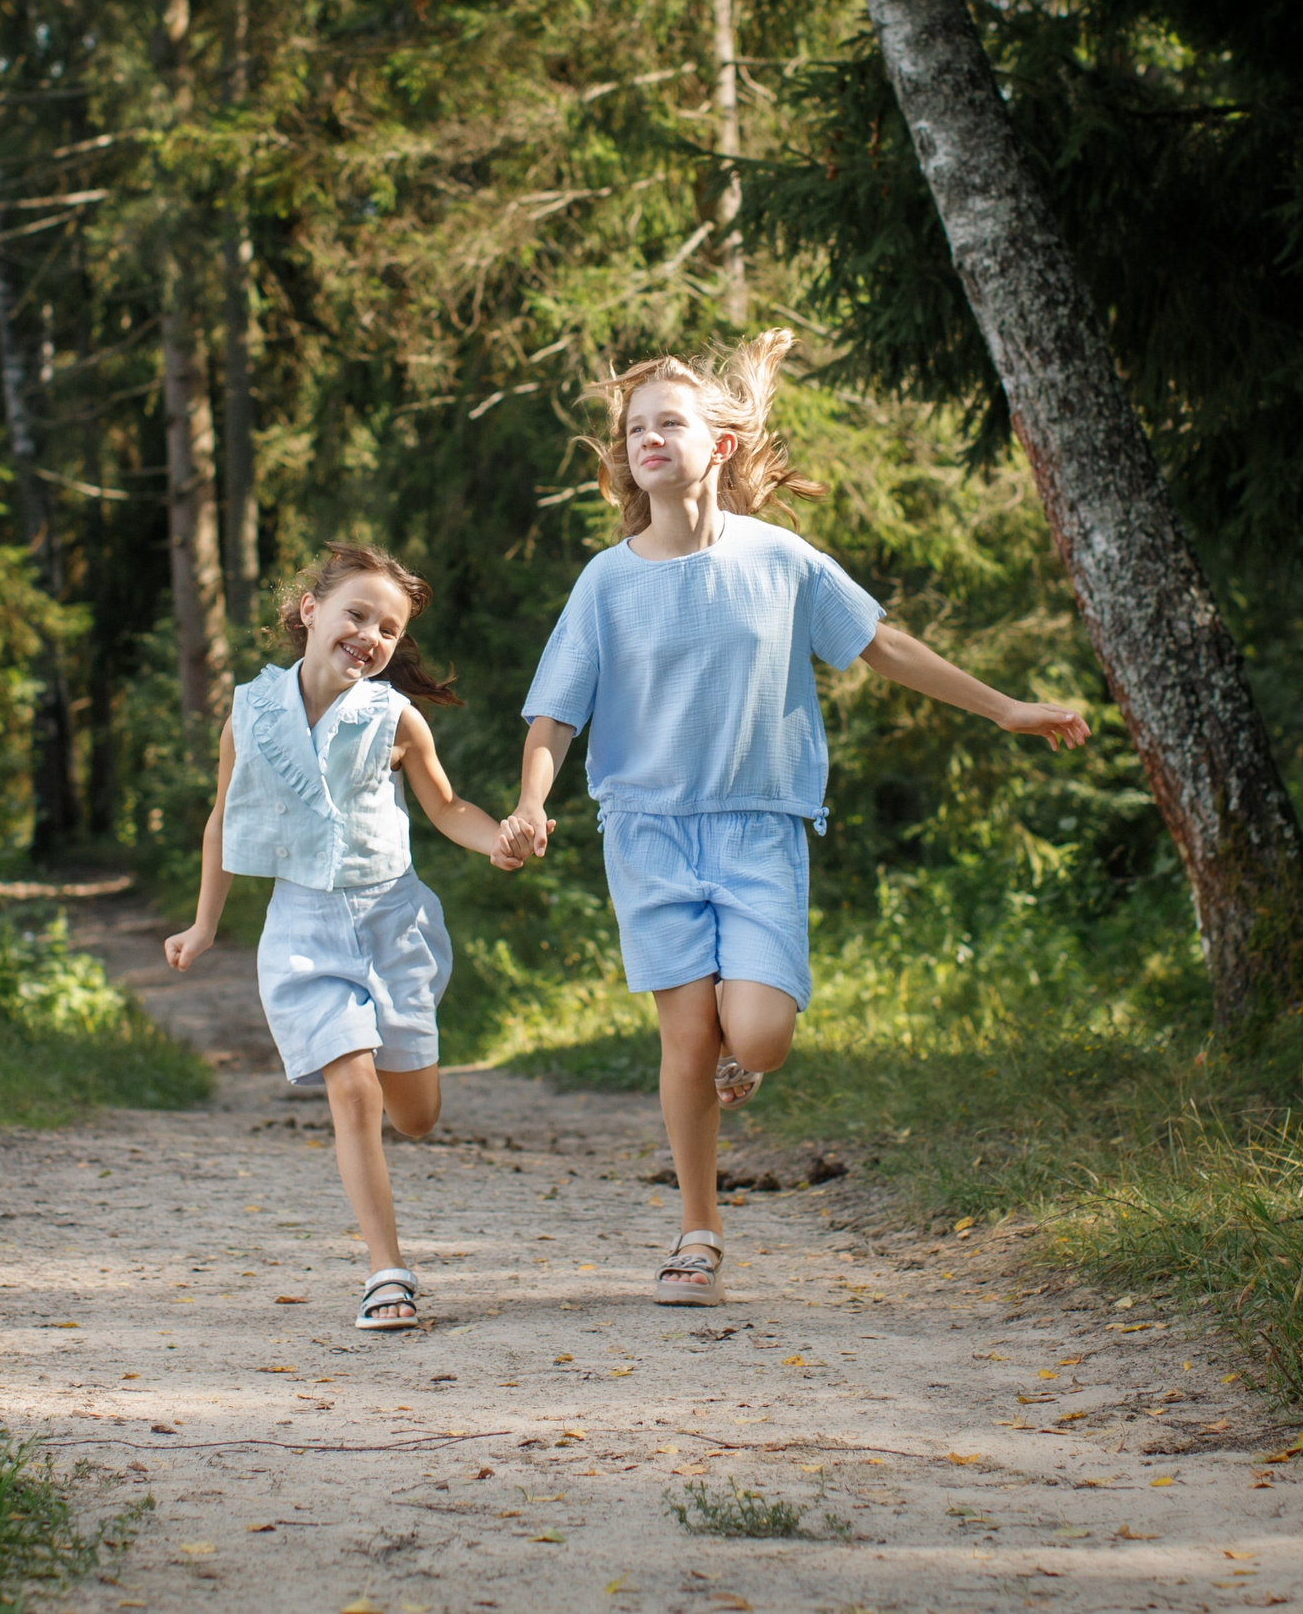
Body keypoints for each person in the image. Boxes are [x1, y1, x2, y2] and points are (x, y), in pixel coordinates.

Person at [498, 331, 1090, 1307]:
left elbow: (883, 646)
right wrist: (530, 803)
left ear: (718, 446)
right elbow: (554, 714)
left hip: (758, 827)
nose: (649, 438)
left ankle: (746, 1061)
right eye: (636, 427)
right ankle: (698, 1233)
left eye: (671, 422)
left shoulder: (780, 561)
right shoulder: (606, 582)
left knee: (759, 1034)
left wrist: (1006, 708)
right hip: (647, 832)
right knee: (684, 1038)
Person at [165, 543, 526, 1332]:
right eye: (356, 614)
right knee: (351, 1084)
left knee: (416, 1116)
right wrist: (203, 923)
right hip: (302, 930)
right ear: (310, 612)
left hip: (392, 925)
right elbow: (223, 818)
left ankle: (408, 1089)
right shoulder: (251, 713)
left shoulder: (396, 716)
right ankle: (385, 1270)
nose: (370, 635)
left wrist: (498, 836)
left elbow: (446, 806)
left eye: (389, 628)